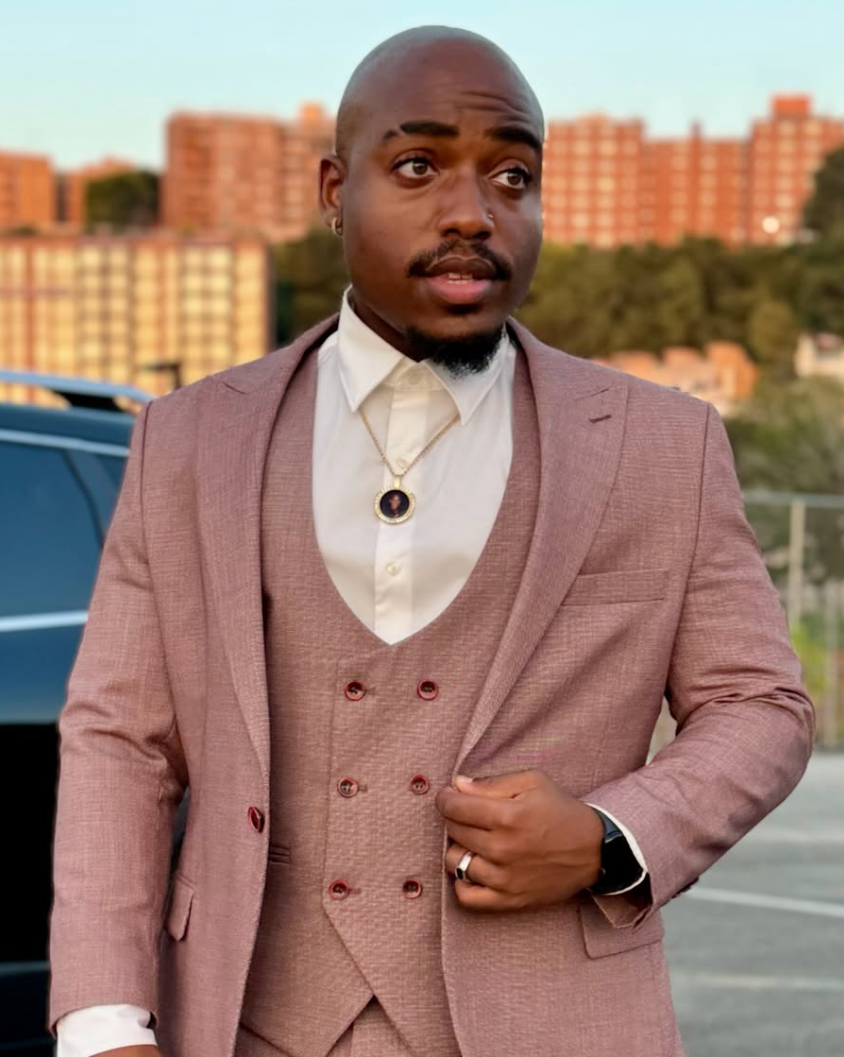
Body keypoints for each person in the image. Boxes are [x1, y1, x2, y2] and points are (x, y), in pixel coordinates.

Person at [50, 25, 814, 1057]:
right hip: (243, 1023)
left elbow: (762, 704)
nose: (472, 212)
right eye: (418, 167)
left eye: (512, 175)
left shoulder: (660, 445)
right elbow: (119, 742)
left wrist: (606, 837)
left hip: (555, 1024)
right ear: (334, 189)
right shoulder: (189, 437)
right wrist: (102, 1023)